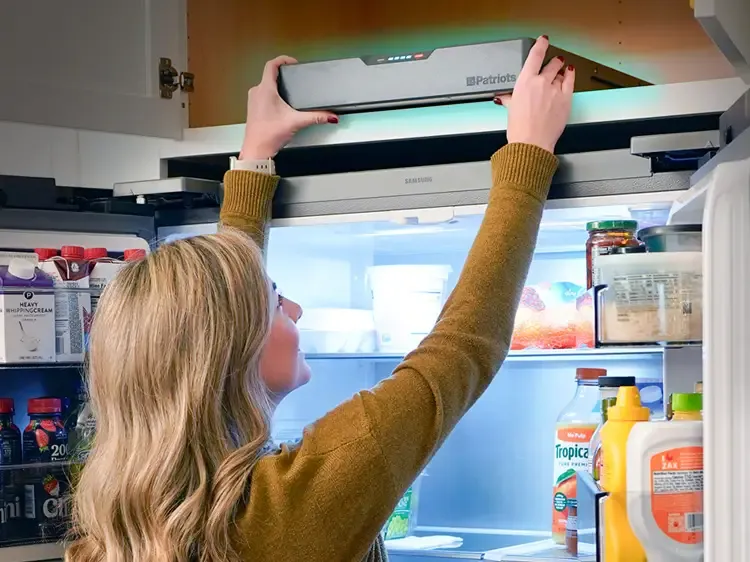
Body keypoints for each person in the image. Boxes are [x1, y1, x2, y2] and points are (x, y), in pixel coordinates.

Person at [67, 36, 574, 562]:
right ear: (232, 350)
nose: (295, 310)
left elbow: (214, 299)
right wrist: (527, 160)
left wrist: (254, 158)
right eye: (276, 299)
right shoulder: (298, 497)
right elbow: (462, 348)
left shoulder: (120, 525)